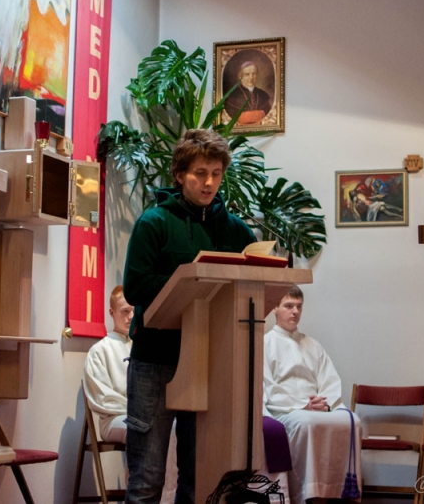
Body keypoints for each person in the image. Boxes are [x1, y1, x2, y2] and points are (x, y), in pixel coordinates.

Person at [123, 129, 257, 503]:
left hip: (211, 361)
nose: (209, 182)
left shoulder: (237, 231)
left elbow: (253, 287)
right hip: (155, 360)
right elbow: (136, 286)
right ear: (180, 174)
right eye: (200, 173)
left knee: (200, 478)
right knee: (146, 479)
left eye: (216, 173)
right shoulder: (153, 222)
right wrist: (191, 282)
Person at [263, 286, 362, 504]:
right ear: (274, 308)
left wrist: (325, 403)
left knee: (352, 421)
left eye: (299, 307)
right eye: (289, 306)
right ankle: (308, 492)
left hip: (315, 407)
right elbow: (268, 387)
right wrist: (302, 406)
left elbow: (329, 380)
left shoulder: (312, 345)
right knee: (306, 422)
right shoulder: (265, 343)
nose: (295, 312)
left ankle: (340, 491)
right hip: (286, 410)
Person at [84, 285, 134, 443]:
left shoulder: (143, 347)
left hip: (144, 416)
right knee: (140, 429)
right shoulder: (99, 350)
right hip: (114, 419)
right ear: (112, 313)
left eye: (134, 311)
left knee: (176, 427)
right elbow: (102, 398)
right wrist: (138, 410)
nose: (131, 316)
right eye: (125, 311)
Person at [224, 60, 272, 125]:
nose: (251, 77)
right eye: (247, 74)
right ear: (240, 77)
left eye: (254, 74)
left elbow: (268, 118)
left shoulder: (263, 95)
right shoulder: (232, 96)